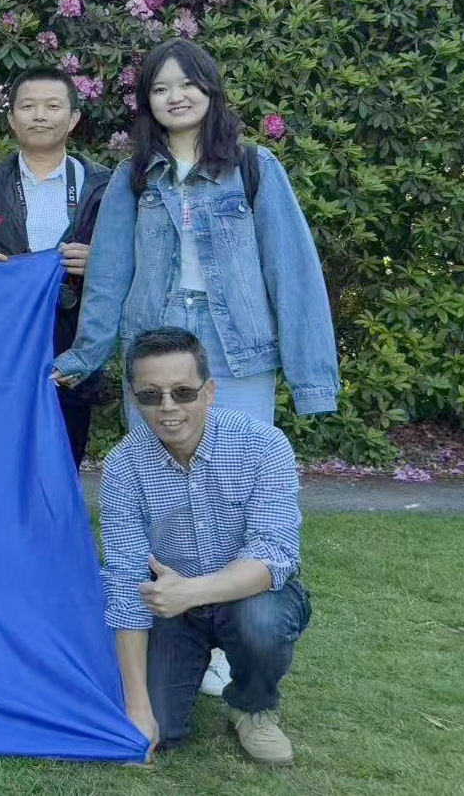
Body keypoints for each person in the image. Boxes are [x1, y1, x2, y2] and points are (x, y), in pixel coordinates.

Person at [52, 39, 338, 698]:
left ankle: (231, 628)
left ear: (210, 89)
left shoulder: (254, 167)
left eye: (186, 84)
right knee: (161, 493)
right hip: (154, 350)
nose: (174, 96)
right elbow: (109, 275)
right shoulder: (132, 179)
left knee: (235, 483)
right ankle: (173, 624)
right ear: (146, 102)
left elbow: (292, 271)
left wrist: (312, 378)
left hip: (238, 353)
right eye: (159, 87)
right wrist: (85, 355)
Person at [100, 327, 310, 766]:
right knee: (161, 728)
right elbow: (125, 582)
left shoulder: (263, 444)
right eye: (151, 395)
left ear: (209, 392)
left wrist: (192, 591)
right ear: (134, 399)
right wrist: (137, 710)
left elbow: (275, 552)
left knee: (261, 621)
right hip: (170, 607)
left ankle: (252, 707)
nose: (168, 407)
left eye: (183, 392)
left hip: (247, 594)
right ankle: (181, 672)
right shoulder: (122, 466)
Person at [0, 71, 110, 466]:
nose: (40, 115)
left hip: (73, 347)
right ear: (12, 119)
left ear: (73, 118)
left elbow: (133, 260)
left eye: (53, 106)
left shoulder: (105, 189)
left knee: (63, 461)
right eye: (28, 106)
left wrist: (100, 264)